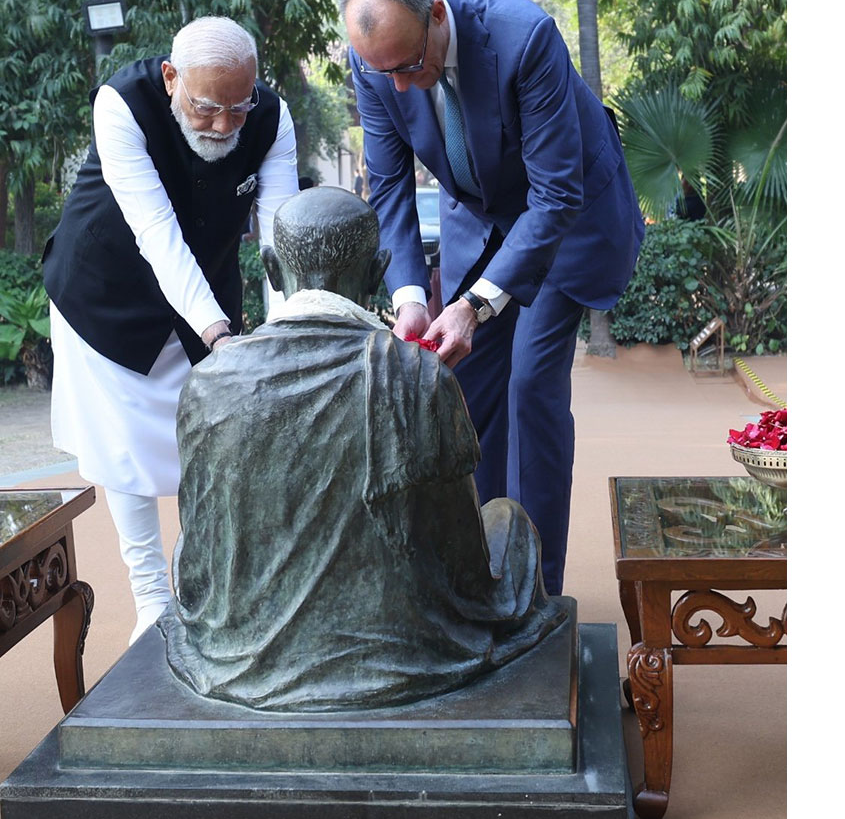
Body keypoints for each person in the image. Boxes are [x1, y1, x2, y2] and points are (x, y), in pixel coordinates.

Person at [161, 186, 564, 712]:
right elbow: (461, 564)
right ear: (378, 273)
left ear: (272, 270)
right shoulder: (416, 377)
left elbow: (196, 570)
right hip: (403, 656)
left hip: (239, 657)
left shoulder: (208, 382)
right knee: (509, 521)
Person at [338, 0, 645, 596]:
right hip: (478, 221)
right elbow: (390, 183)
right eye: (379, 71)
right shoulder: (378, 63)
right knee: (465, 390)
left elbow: (555, 195)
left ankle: (536, 591)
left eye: (407, 67)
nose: (397, 86)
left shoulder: (524, 37)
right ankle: (483, 575)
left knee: (530, 385)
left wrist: (474, 305)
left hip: (567, 218)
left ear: (438, 17)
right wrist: (411, 297)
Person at [41, 16, 298, 642]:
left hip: (204, 286)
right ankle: (152, 602)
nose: (222, 125)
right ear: (170, 77)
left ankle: (202, 587)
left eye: (239, 108)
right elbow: (156, 233)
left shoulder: (272, 118)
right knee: (124, 447)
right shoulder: (121, 104)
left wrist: (287, 334)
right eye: (206, 107)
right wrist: (220, 337)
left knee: (213, 443)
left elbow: (283, 237)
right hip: (104, 291)